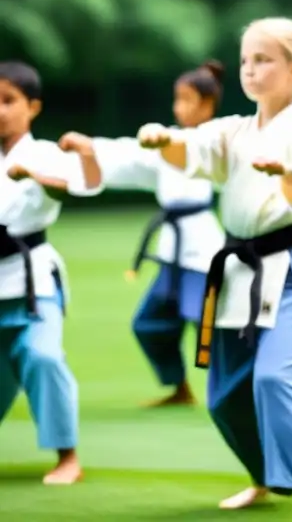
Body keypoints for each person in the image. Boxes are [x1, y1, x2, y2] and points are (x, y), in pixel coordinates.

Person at [133, 17, 292, 522]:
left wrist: (284, 175)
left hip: (290, 271)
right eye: (245, 60)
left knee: (273, 379)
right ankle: (264, 479)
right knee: (224, 398)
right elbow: (193, 151)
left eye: (262, 60)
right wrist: (164, 140)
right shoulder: (234, 130)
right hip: (238, 274)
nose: (250, 70)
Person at [58, 61, 227, 405]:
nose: (178, 106)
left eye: (187, 99)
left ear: (207, 104)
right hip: (172, 252)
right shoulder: (165, 144)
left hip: (203, 253)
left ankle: (231, 392)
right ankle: (179, 388)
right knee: (149, 325)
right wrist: (91, 149)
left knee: (208, 330)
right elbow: (129, 156)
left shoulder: (218, 142)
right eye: (176, 98)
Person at [0, 61, 98, 484]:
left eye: (8, 101)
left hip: (32, 282)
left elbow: (65, 186)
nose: (0, 110)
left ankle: (67, 457)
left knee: (42, 356)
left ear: (32, 107)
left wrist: (34, 175)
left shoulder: (43, 155)